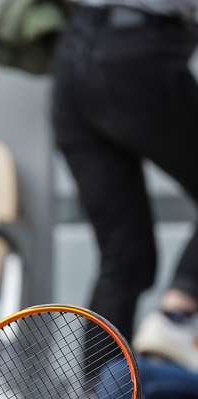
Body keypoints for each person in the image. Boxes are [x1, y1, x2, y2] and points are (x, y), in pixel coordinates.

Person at [51, 0, 198, 369]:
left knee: (124, 255)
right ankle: (175, 320)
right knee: (125, 254)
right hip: (138, 50)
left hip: (75, 55)